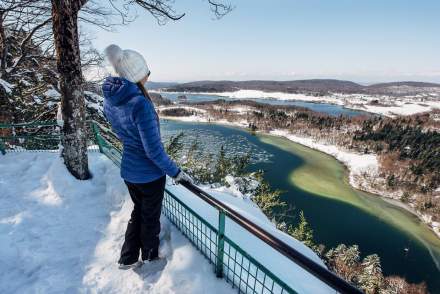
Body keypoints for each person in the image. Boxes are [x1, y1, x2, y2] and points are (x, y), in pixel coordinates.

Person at [102, 44, 192, 270]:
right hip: (149, 175)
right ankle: (150, 255)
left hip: (129, 171)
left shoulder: (111, 100)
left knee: (138, 211)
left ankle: (128, 256)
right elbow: (153, 151)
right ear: (137, 74)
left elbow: (124, 133)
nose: (149, 76)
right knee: (150, 217)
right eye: (146, 72)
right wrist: (177, 172)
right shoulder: (140, 104)